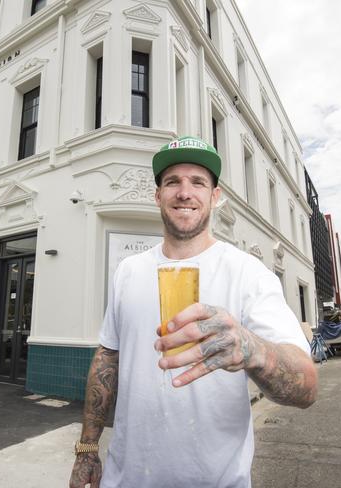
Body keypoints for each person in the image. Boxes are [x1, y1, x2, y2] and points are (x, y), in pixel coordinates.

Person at [69, 136, 318, 488]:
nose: (184, 193)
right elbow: (108, 357)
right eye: (172, 182)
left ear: (215, 197)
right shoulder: (128, 271)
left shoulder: (248, 273)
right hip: (124, 479)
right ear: (158, 196)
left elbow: (306, 387)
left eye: (198, 182)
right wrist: (87, 448)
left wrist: (251, 348)